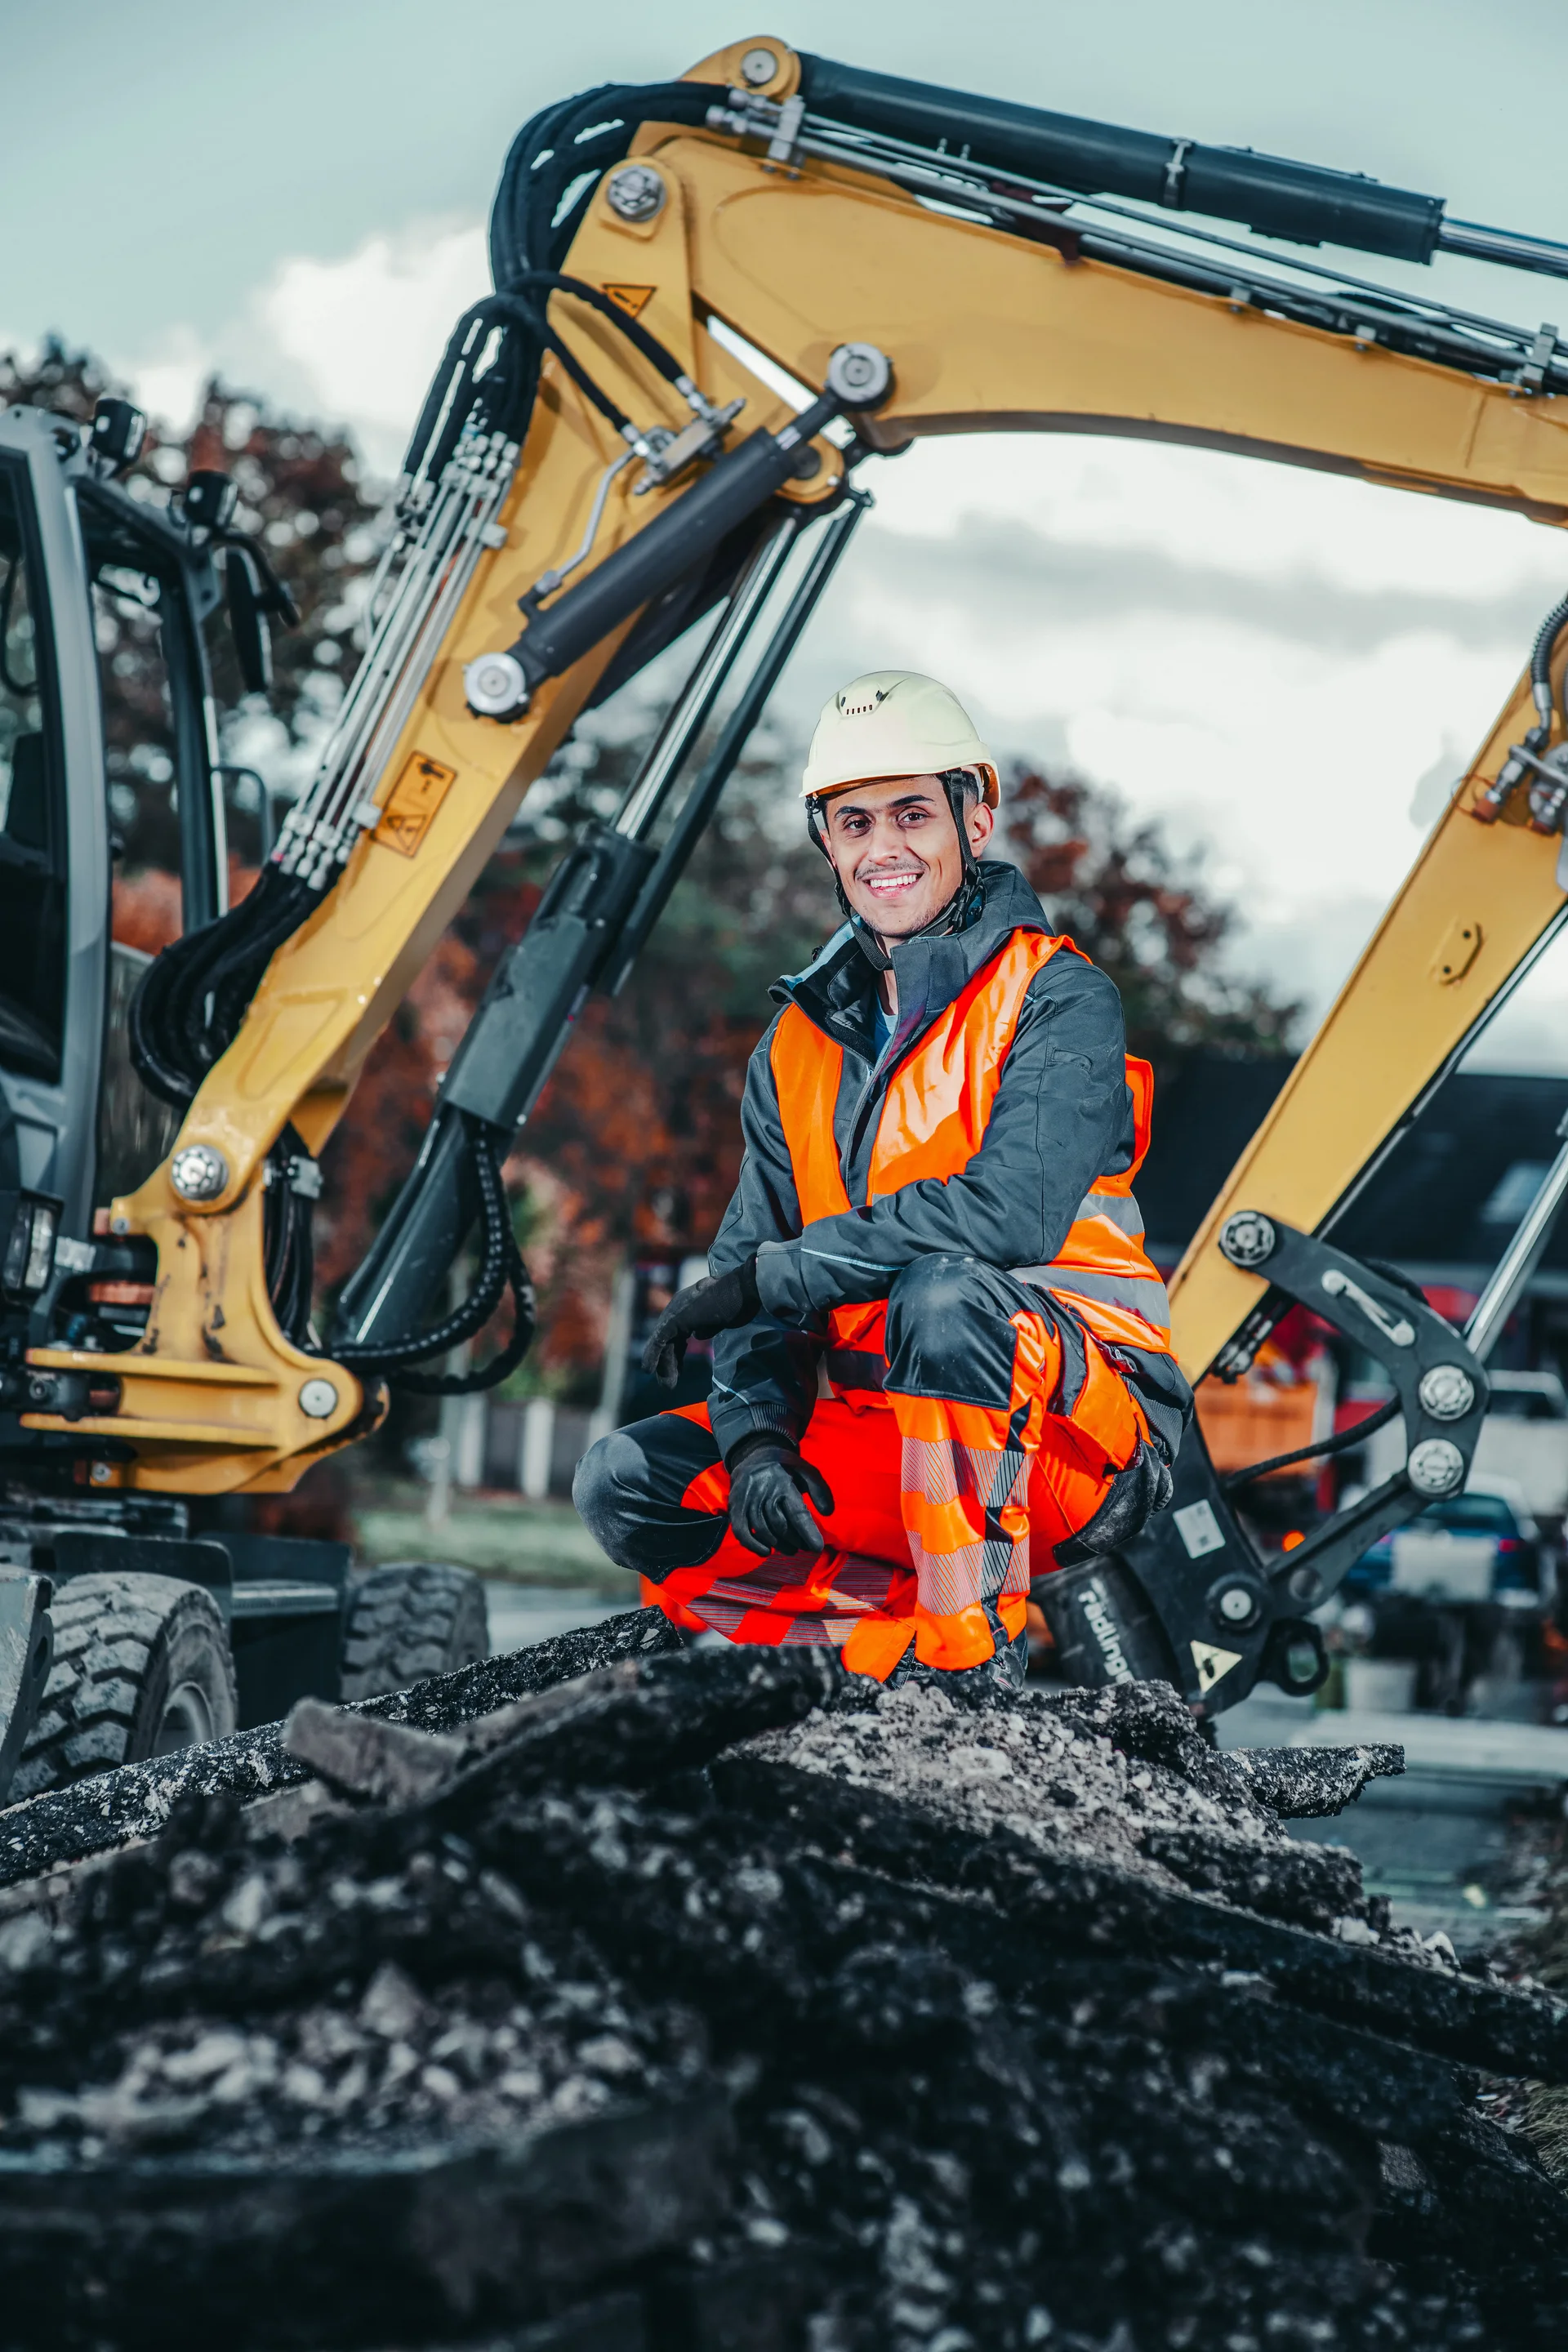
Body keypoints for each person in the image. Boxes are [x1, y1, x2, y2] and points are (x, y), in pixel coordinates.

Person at [574, 671, 1192, 1690]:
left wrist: (778, 1277)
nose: (883, 848)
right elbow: (753, 1259)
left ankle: (969, 1669)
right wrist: (763, 1442)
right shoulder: (794, 1048)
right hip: (886, 1443)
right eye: (853, 822)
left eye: (912, 813)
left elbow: (1012, 1211)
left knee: (945, 1296)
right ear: (826, 842)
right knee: (629, 1486)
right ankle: (862, 1658)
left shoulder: (1058, 996)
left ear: (976, 818)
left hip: (1077, 1447)